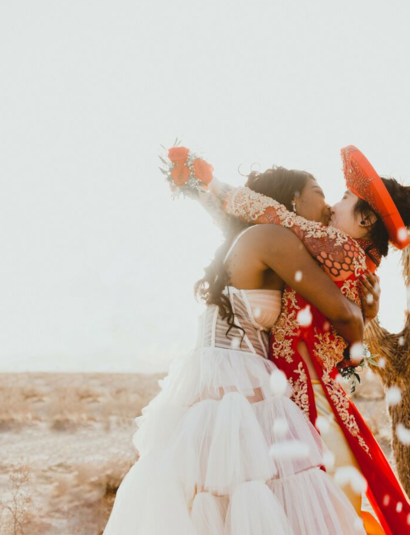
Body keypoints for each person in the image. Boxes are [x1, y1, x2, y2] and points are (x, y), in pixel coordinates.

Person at [104, 163, 369, 534]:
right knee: (252, 493)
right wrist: (361, 330)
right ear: (293, 198)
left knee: (223, 497)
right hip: (238, 379)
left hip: (218, 375)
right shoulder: (274, 238)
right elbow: (342, 313)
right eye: (319, 192)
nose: (326, 206)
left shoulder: (254, 238)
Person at [202, 145, 410, 535]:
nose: (332, 207)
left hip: (304, 391)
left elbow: (273, 215)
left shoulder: (337, 248)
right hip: (308, 387)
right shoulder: (353, 259)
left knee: (323, 504)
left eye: (343, 198)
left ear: (365, 220)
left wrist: (212, 184)